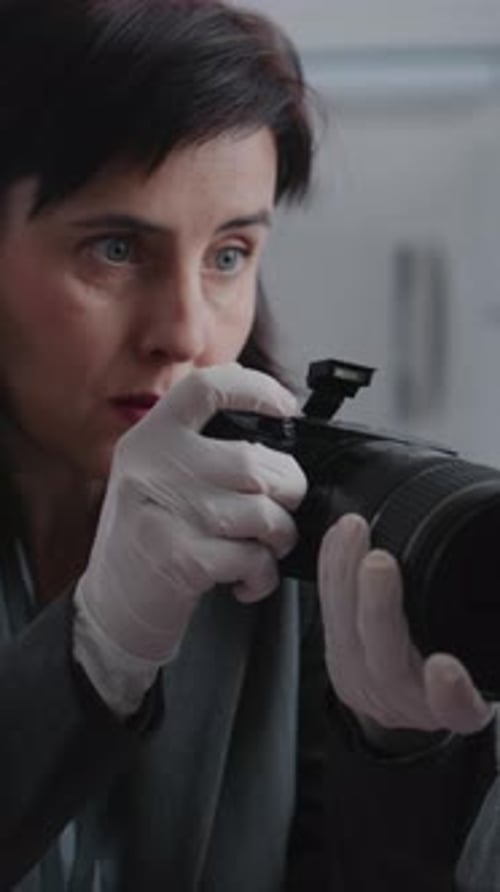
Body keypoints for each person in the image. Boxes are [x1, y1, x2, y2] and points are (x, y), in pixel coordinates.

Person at [0, 1, 496, 890]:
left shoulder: (283, 536)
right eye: (114, 249)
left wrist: (392, 752)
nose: (187, 333)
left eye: (229, 254)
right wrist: (99, 649)